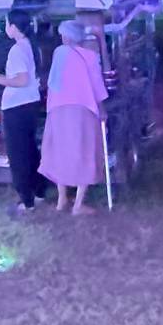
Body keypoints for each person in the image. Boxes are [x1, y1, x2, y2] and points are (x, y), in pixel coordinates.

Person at [40, 20, 110, 216]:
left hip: (57, 109)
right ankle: (78, 204)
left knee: (60, 150)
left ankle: (61, 199)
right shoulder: (90, 56)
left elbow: (53, 83)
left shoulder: (58, 53)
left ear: (66, 36)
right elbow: (96, 84)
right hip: (83, 109)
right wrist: (102, 109)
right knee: (84, 151)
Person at [0, 9, 43, 217]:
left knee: (18, 155)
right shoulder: (30, 45)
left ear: (14, 27)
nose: (6, 28)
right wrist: (1, 76)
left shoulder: (17, 49)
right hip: (29, 103)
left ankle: (26, 201)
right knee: (30, 150)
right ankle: (38, 191)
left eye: (7, 24)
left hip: (17, 106)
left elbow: (22, 79)